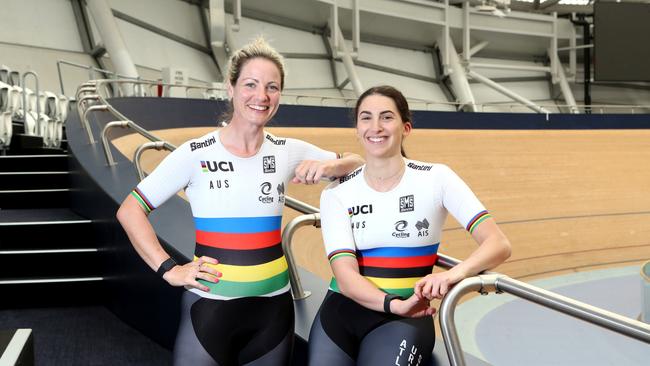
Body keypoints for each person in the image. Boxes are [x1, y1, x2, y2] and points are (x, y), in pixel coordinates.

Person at [116, 37, 363, 366]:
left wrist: (330, 166)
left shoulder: (285, 150)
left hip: (273, 315)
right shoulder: (195, 153)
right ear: (230, 88)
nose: (261, 96)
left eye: (272, 87)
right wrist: (169, 270)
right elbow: (130, 210)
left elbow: (357, 162)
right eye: (250, 84)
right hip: (209, 311)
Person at [308, 85, 511, 365]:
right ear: (357, 129)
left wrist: (451, 275)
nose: (376, 127)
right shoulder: (337, 192)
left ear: (406, 128)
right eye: (366, 117)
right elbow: (345, 277)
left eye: (386, 117)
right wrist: (395, 305)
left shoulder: (437, 178)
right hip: (342, 312)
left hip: (407, 318)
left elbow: (498, 244)